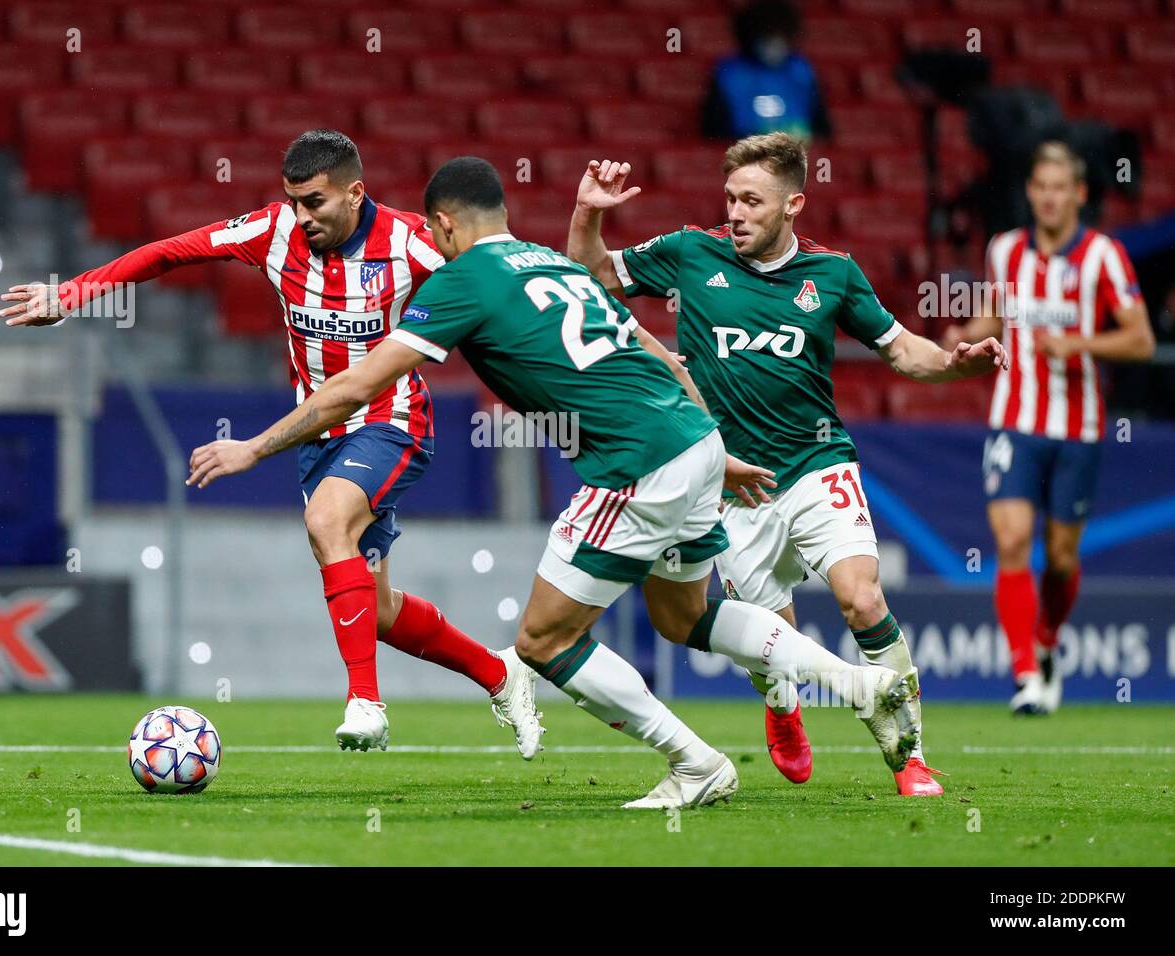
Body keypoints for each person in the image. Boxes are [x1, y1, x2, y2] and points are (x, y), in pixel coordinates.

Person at [184, 156, 924, 808]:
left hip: (635, 464)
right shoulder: (553, 262)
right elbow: (663, 357)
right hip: (696, 439)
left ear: (442, 227)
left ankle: (694, 764)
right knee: (683, 617)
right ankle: (854, 682)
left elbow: (354, 389)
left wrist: (254, 448)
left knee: (541, 642)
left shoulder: (464, 280)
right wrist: (713, 452)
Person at [0, 130, 541, 756]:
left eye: (314, 202)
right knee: (380, 611)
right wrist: (70, 295)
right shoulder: (272, 231)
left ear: (355, 192)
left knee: (326, 518)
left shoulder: (409, 242)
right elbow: (170, 252)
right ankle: (503, 676)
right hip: (318, 434)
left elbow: (502, 277)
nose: (300, 216)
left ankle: (366, 703)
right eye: (292, 201)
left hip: (390, 419)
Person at [566, 133, 1007, 796]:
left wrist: (952, 364)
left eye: (752, 200)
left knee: (863, 598)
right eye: (730, 198)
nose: (736, 212)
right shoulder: (692, 252)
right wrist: (588, 213)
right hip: (730, 485)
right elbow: (592, 275)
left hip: (814, 463)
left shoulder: (834, 275)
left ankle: (909, 754)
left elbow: (901, 352)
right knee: (771, 636)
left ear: (794, 203)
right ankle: (781, 708)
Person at [942, 140, 1154, 715]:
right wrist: (962, 338)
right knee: (1012, 541)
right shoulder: (1005, 250)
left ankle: (1048, 640)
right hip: (1013, 422)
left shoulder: (1103, 256)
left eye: (1063, 188)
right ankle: (1025, 675)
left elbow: (1142, 339)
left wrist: (1079, 341)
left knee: (1060, 559)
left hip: (1078, 428)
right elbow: (996, 315)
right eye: (1042, 187)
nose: (1051, 198)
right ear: (1031, 192)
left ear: (1079, 194)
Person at [701, 0, 831, 143]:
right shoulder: (729, 74)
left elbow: (822, 130)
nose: (774, 47)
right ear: (751, 38)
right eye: (767, 39)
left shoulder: (802, 71)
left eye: (780, 39)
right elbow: (713, 133)